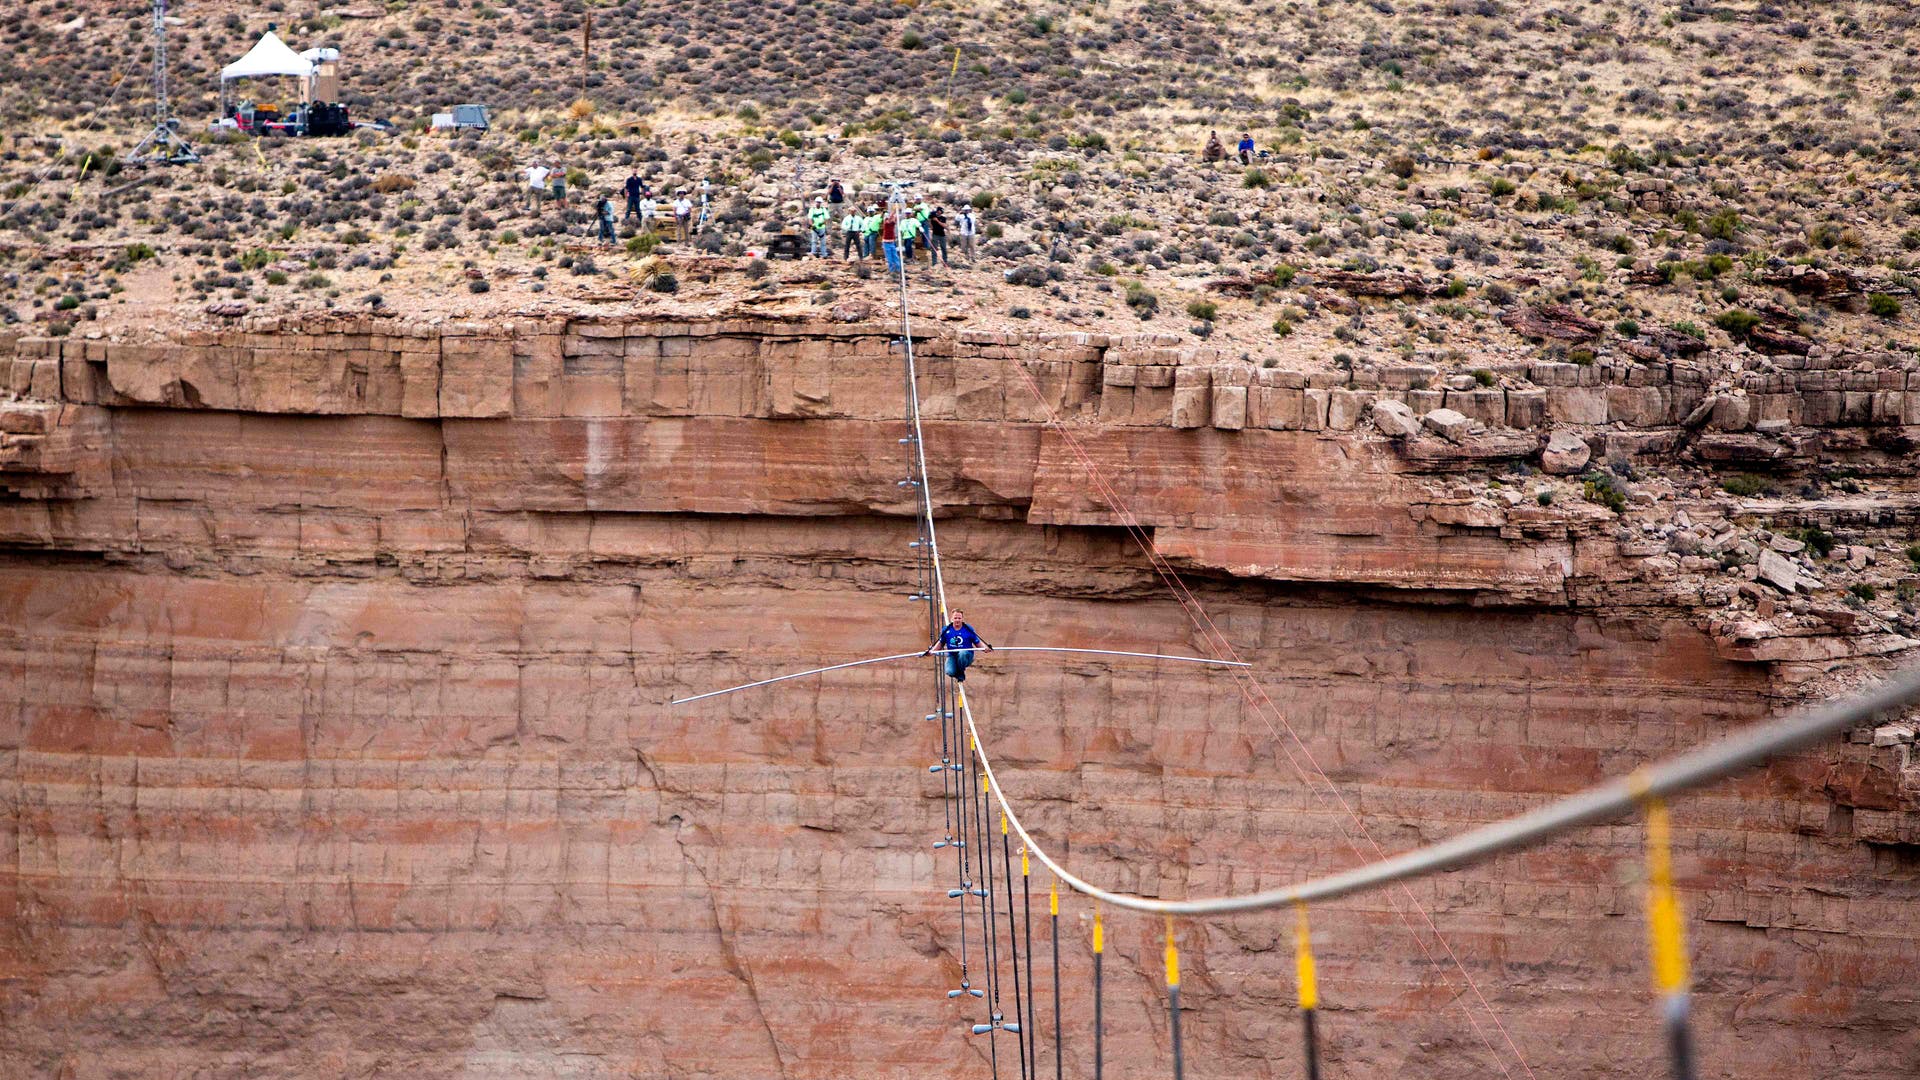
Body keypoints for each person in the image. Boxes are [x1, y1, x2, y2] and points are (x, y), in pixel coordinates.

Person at [924, 609, 993, 683]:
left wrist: (985, 648)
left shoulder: (968, 629)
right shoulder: (946, 630)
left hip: (966, 656)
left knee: (962, 653)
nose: (957, 620)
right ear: (951, 619)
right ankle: (957, 669)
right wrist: (931, 652)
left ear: (962, 619)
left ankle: (961, 672)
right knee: (950, 671)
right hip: (953, 656)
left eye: (959, 618)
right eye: (955, 618)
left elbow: (978, 643)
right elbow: (940, 644)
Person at [880, 207, 901, 274]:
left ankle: (898, 270)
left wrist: (896, 212)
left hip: (892, 242)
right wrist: (894, 211)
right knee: (890, 258)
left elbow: (895, 219)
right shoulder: (886, 223)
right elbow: (890, 219)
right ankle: (891, 271)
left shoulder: (892, 223)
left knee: (895, 257)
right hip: (886, 243)